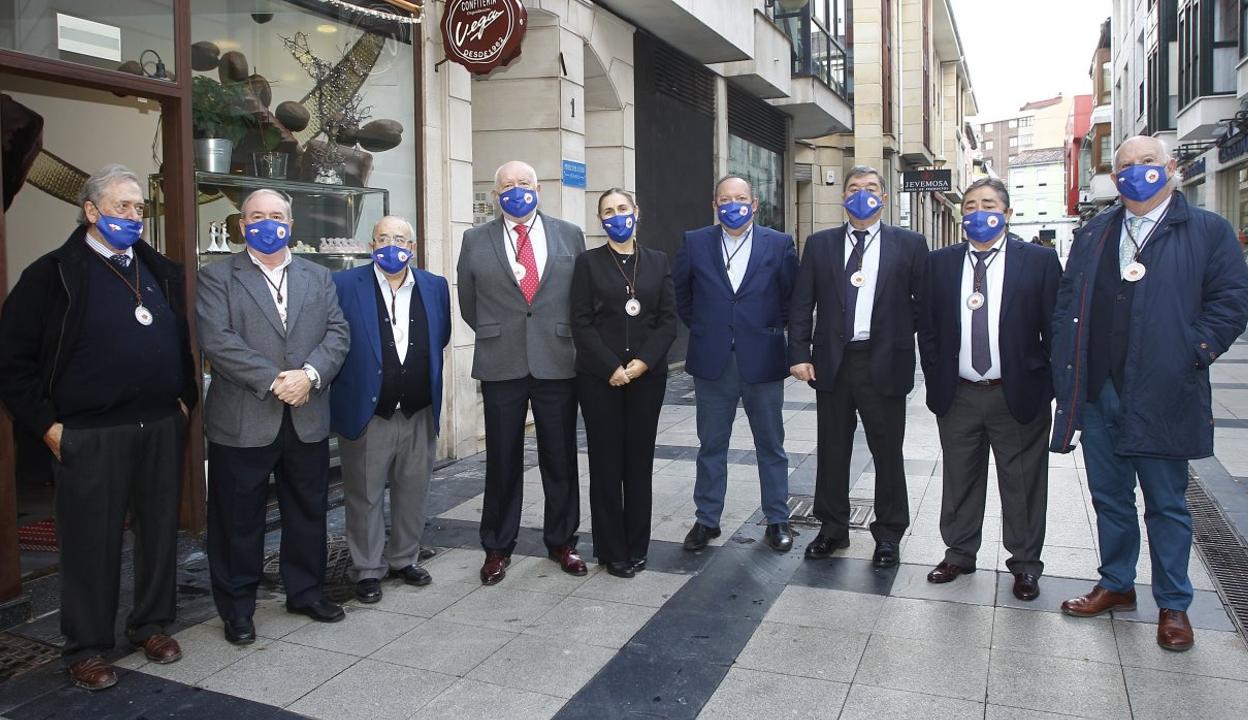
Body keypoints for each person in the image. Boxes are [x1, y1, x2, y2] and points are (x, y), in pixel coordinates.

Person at [0, 164, 197, 690]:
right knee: (91, 544)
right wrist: (48, 427)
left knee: (158, 533)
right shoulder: (52, 274)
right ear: (91, 211)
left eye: (138, 207)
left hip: (158, 425)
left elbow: (182, 342)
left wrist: (183, 403)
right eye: (120, 207)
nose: (133, 216)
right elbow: (11, 362)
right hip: (87, 434)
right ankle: (87, 647)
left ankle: (150, 626)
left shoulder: (159, 270)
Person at [1052, 135, 1248, 651]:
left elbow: (1231, 300)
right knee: (1110, 499)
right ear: (1115, 180)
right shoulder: (1095, 232)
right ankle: (1116, 584)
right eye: (1125, 167)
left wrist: (1194, 349)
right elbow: (1068, 304)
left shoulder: (1206, 230)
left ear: (1171, 168)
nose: (1136, 173)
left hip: (1165, 392)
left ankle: (1174, 604)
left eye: (1147, 163)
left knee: (1166, 504)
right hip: (1100, 393)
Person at [197, 188, 350, 645]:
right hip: (244, 418)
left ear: (291, 223)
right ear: (242, 226)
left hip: (306, 415)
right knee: (237, 519)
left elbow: (338, 333)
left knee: (308, 511)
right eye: (257, 216)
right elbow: (217, 341)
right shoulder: (217, 277)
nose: (268, 223)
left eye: (277, 216)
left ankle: (305, 591)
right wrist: (275, 380)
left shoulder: (319, 277)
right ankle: (238, 608)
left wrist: (309, 375)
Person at [917, 178, 1061, 601]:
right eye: (972, 205)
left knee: (1022, 483)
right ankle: (959, 552)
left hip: (1015, 394)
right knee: (959, 479)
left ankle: (1025, 565)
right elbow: (928, 328)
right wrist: (937, 375)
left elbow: (1055, 329)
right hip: (959, 394)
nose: (980, 213)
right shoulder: (939, 263)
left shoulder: (1038, 261)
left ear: (1008, 213)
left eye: (989, 205)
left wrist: (1047, 386)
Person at [788, 166, 928, 568]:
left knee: (888, 452)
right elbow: (802, 304)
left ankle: (888, 535)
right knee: (832, 450)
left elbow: (923, 303)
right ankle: (832, 529)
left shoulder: (910, 244)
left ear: (883, 198)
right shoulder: (820, 245)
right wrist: (799, 353)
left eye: (870, 189)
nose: (861, 195)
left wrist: (900, 334)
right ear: (842, 197)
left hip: (884, 361)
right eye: (853, 188)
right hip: (833, 363)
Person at [457, 160, 587, 585]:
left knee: (560, 456)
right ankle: (496, 547)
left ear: (539, 188)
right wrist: (499, 333)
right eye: (507, 185)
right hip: (501, 361)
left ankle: (563, 542)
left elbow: (581, 296)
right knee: (502, 458)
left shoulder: (569, 234)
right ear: (495, 195)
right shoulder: (475, 239)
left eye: (524, 183)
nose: (517, 190)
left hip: (556, 359)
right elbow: (469, 303)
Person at [673, 174, 799, 553]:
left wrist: (766, 330)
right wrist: (709, 329)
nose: (733, 204)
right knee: (711, 444)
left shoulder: (779, 244)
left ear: (755, 204)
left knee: (771, 445)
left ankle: (777, 518)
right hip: (713, 363)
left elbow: (790, 298)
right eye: (725, 198)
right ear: (715, 204)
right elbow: (683, 295)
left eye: (740, 197)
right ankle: (707, 520)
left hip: (762, 361)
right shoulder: (694, 243)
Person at [330, 216, 450, 603]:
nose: (392, 246)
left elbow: (441, 335)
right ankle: (366, 568)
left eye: (400, 239)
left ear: (412, 247)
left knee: (413, 488)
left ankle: (404, 558)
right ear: (371, 245)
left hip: (419, 409)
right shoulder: (345, 284)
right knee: (363, 492)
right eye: (383, 239)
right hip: (369, 409)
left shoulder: (434, 286)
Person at [571, 188, 677, 578]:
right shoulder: (588, 263)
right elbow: (580, 320)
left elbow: (667, 320)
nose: (616, 216)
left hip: (646, 379)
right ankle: (611, 549)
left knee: (638, 462)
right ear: (601, 221)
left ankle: (637, 546)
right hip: (600, 379)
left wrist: (641, 364)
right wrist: (611, 367)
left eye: (622, 208)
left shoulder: (657, 261)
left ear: (637, 212)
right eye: (608, 211)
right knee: (604, 462)